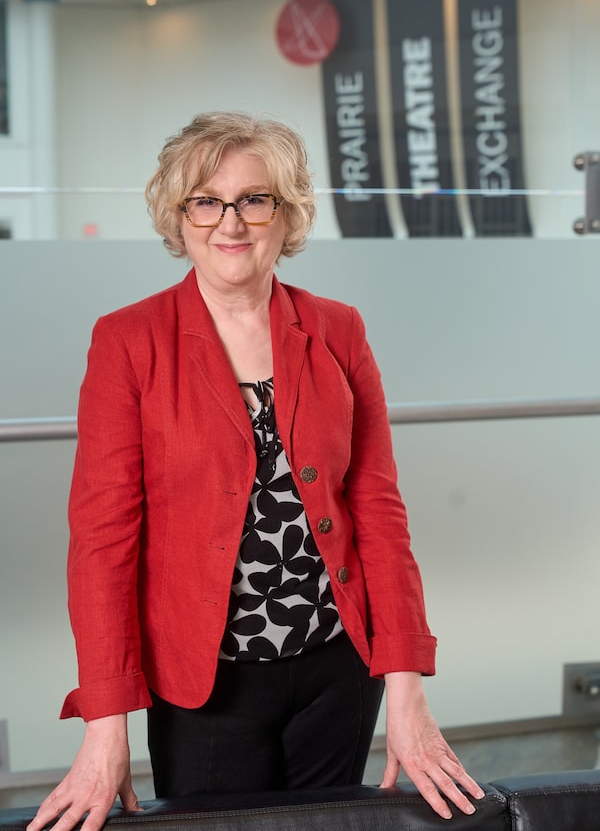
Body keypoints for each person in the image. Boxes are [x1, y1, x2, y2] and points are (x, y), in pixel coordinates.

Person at [28, 111, 484, 831]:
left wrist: (407, 686)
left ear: (287, 211)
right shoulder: (128, 342)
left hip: (339, 669)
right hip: (205, 685)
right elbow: (102, 544)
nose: (230, 222)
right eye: (206, 202)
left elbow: (378, 511)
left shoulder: (339, 329)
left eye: (254, 199)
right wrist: (105, 725)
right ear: (179, 216)